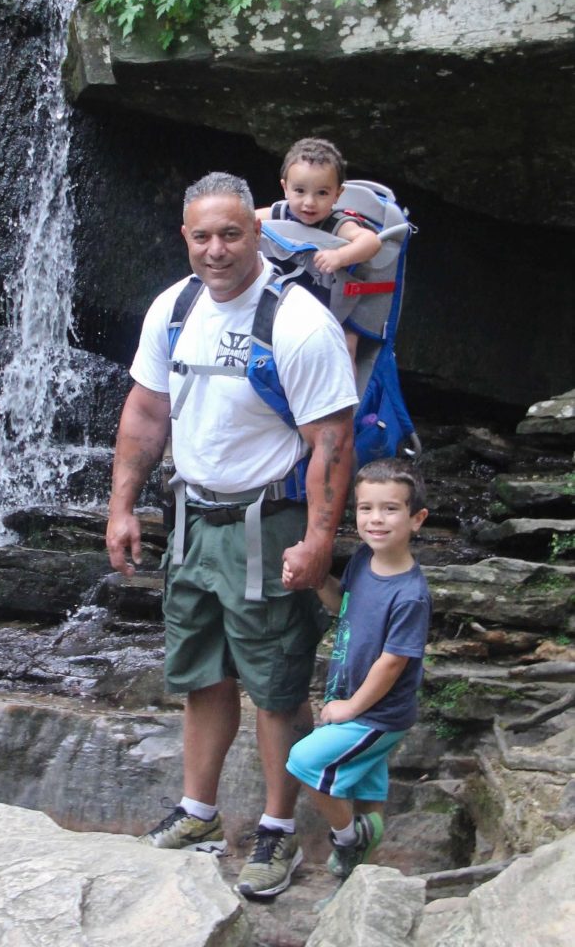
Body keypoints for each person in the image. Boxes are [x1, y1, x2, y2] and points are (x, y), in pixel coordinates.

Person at [106, 171, 357, 898]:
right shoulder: (174, 307)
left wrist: (318, 540)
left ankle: (277, 831)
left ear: (257, 233)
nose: (215, 250)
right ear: (185, 238)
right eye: (202, 236)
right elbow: (146, 411)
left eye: (230, 234)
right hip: (191, 518)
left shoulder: (297, 321)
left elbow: (332, 442)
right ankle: (198, 811)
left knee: (276, 685)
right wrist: (122, 507)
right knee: (202, 671)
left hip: (266, 524)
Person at [284, 457, 431, 890]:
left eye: (390, 509)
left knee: (304, 760)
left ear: (417, 519)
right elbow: (340, 603)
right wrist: (315, 579)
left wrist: (350, 708)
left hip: (376, 714)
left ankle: (348, 838)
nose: (376, 519)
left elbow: (392, 663)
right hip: (356, 703)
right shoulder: (364, 559)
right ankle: (360, 881)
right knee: (367, 793)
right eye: (366, 508)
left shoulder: (410, 595)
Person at [256, 137, 382, 363]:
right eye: (300, 190)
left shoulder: (337, 223)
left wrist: (340, 256)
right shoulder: (280, 212)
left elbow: (371, 241)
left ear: (337, 194)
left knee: (346, 346)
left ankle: (347, 386)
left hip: (337, 306)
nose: (309, 202)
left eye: (322, 193)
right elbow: (244, 219)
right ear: (285, 188)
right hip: (289, 297)